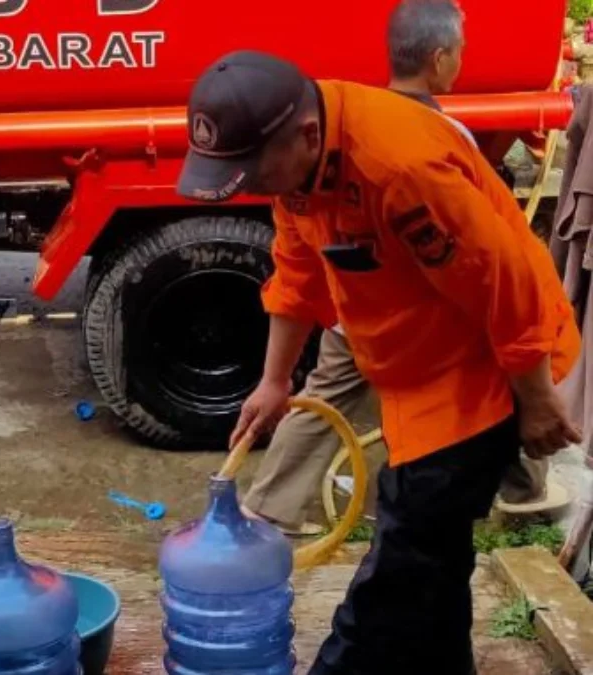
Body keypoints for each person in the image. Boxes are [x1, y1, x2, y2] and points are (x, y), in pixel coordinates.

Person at [177, 47, 581, 675]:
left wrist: (534, 399)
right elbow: (298, 268)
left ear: (307, 136)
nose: (251, 186)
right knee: (435, 568)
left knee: (403, 559)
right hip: (413, 369)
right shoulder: (298, 163)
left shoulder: (401, 170)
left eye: (253, 171)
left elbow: (505, 281)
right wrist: (275, 380)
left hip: (484, 369)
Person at [240, 0, 565, 538]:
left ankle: (267, 510)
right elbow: (498, 288)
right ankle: (525, 492)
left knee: (331, 395)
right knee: (490, 396)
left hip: (363, 320)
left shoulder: (352, 134)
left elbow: (499, 282)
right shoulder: (427, 146)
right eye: (459, 54)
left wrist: (277, 379)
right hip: (412, 329)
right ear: (439, 60)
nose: (459, 65)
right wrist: (536, 400)